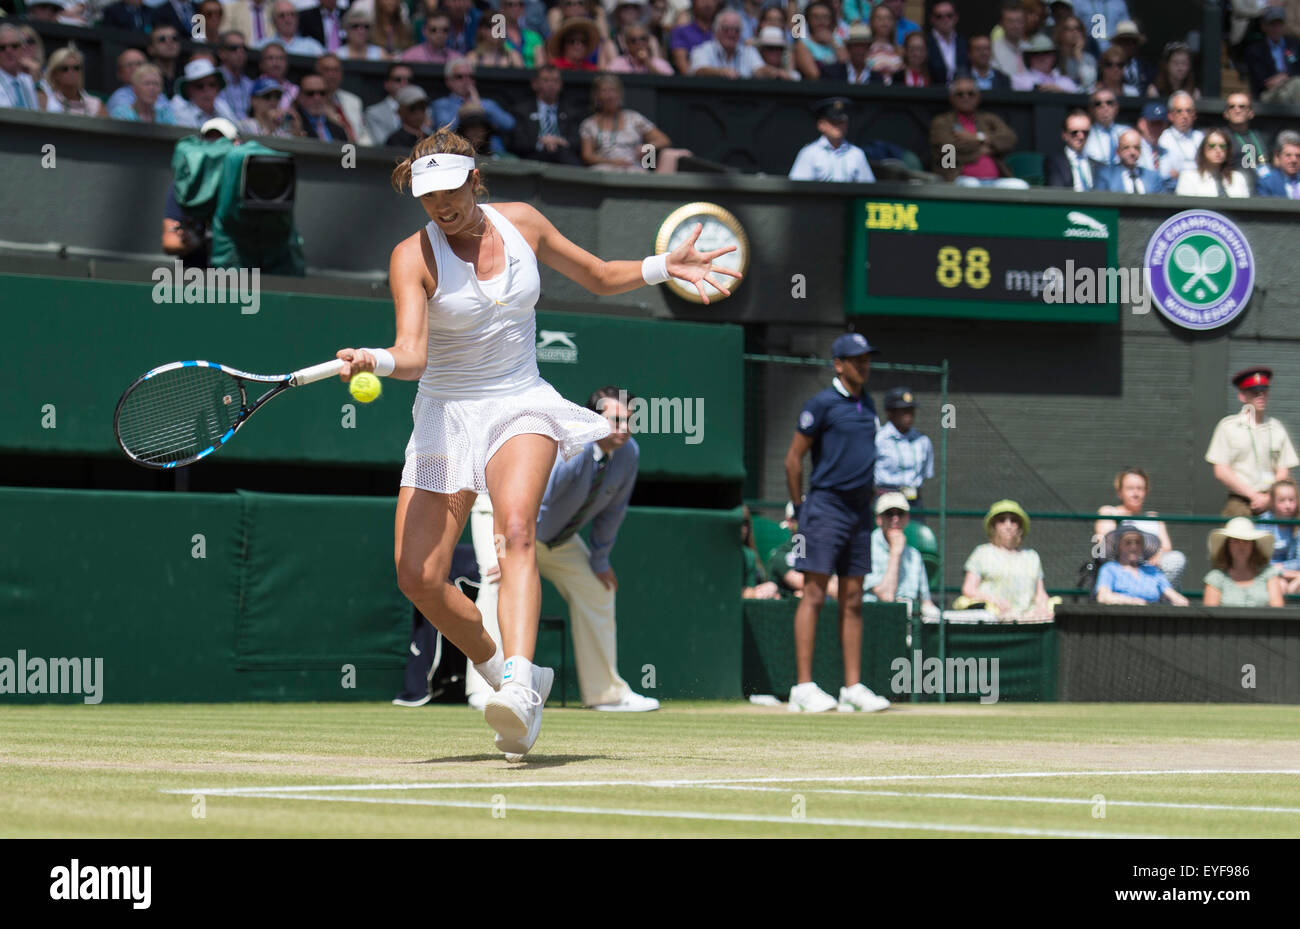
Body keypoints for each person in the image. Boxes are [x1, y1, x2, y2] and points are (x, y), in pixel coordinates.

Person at [332, 131, 734, 759]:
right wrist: (375, 359)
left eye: (450, 190)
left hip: (520, 400)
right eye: (427, 195)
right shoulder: (411, 256)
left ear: (475, 180)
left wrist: (663, 266)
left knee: (515, 531)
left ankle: (520, 680)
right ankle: (505, 674)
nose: (440, 205)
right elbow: (412, 354)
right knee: (419, 577)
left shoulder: (522, 223)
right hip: (445, 412)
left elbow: (598, 277)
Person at [465, 388, 662, 712]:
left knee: (597, 590)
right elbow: (532, 499)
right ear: (592, 420)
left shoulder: (629, 454)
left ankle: (606, 693)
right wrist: (510, 552)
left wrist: (599, 560)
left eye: (629, 421)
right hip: (503, 516)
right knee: (497, 585)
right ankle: (486, 689)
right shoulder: (574, 448)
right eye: (615, 420)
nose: (624, 428)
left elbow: (613, 511)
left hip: (554, 534)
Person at [783, 332, 890, 714]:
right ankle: (803, 687)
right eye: (856, 359)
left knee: (854, 598)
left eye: (867, 359)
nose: (864, 365)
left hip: (860, 512)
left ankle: (851, 688)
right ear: (838, 364)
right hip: (824, 508)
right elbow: (793, 460)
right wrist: (800, 508)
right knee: (813, 593)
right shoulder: (821, 405)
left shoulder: (870, 404)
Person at [1207, 367, 1300, 517]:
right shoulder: (1228, 427)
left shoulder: (1277, 428)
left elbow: (1283, 468)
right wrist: (1253, 496)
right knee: (1237, 530)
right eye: (1255, 392)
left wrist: (1269, 497)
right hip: (1241, 500)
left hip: (1274, 500)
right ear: (1242, 396)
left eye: (1264, 391)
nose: (1261, 396)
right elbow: (1221, 470)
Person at [960, 499, 1054, 621]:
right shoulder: (982, 552)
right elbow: (968, 589)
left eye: (1013, 521)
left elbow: (1040, 593)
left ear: (1020, 527)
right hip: (993, 621)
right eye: (1002, 520)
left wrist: (1042, 607)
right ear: (994, 526)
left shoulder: (1032, 556)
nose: (1008, 525)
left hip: (1028, 620)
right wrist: (994, 600)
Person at [1093, 467, 1186, 587]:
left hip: (1153, 569)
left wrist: (1158, 554)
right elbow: (1106, 542)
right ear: (1119, 492)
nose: (1135, 494)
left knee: (1176, 558)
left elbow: (1166, 547)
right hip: (1122, 568)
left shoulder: (1153, 517)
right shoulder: (1109, 512)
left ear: (1146, 491)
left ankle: (1160, 597)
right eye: (1130, 488)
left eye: (1140, 489)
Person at [580, 73, 688, 173]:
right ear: (597, 96)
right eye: (604, 91)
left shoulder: (634, 118)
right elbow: (587, 156)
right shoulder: (589, 124)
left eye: (613, 90)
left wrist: (646, 148)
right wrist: (614, 162)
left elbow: (664, 141)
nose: (609, 96)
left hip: (634, 169)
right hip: (604, 171)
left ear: (619, 94)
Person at [929, 76, 1022, 187]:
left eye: (970, 93)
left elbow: (1009, 138)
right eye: (960, 94)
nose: (966, 97)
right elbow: (947, 152)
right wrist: (986, 149)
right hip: (959, 179)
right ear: (952, 98)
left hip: (996, 180)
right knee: (971, 185)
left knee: (1019, 186)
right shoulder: (942, 121)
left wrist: (978, 137)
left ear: (978, 97)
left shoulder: (988, 119)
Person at [862, 493, 938, 618]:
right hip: (874, 618)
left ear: (907, 518)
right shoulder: (865, 549)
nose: (895, 519)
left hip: (908, 620)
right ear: (878, 519)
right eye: (889, 514)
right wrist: (895, 553)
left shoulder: (915, 555)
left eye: (900, 513)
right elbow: (886, 597)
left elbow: (926, 602)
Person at [1094, 526, 1189, 606]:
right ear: (1119, 546)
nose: (1133, 547)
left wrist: (1182, 603)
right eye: (1128, 543)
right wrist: (1132, 602)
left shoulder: (1153, 571)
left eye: (1138, 542)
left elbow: (1173, 595)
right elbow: (1103, 597)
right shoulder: (1109, 569)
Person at [873, 387, 933, 511]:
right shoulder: (878, 439)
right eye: (904, 411)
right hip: (886, 501)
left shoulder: (922, 440)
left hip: (913, 501)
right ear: (890, 413)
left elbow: (926, 473)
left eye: (911, 410)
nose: (909, 415)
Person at [788, 96, 873, 183]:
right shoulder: (809, 153)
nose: (837, 127)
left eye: (841, 122)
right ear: (821, 125)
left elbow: (869, 189)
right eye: (833, 122)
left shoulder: (857, 154)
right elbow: (798, 188)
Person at [510, 65, 583, 165]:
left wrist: (560, 140)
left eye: (555, 81)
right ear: (535, 84)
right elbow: (517, 142)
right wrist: (541, 141)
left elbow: (578, 141)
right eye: (546, 80)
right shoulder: (522, 111)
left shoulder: (571, 111)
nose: (551, 84)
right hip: (532, 158)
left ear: (561, 84)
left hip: (564, 158)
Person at [1203, 518, 1284, 607]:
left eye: (1246, 541)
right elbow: (1210, 615)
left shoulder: (1269, 574)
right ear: (1227, 545)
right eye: (1236, 541)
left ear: (1253, 545)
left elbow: (1277, 609)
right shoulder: (1216, 578)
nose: (1241, 546)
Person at [430, 59, 515, 142]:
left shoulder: (487, 104)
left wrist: (480, 107)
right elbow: (445, 132)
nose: (466, 80)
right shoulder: (441, 104)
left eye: (470, 77)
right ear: (448, 81)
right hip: (456, 151)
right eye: (459, 77)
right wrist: (466, 110)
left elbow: (509, 124)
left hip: (490, 153)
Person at [1246, 7, 1300, 103]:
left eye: (1279, 24)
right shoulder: (1256, 50)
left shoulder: (1294, 45)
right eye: (1272, 25)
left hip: (1291, 87)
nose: (1276, 29)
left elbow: (1296, 67)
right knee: (1288, 93)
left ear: (1284, 26)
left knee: (1294, 86)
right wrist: (1282, 80)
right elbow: (1263, 81)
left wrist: (1284, 77)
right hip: (1268, 93)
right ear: (1263, 26)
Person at [1175, 129, 1251, 198]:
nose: (1218, 150)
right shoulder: (1188, 177)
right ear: (1203, 149)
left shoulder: (1238, 178)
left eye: (1222, 146)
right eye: (1212, 145)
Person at [689, 8, 764, 76]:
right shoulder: (702, 50)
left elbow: (760, 69)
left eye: (736, 30)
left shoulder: (749, 51)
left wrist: (772, 72)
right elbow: (699, 70)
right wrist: (721, 72)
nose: (731, 33)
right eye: (726, 29)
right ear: (716, 31)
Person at [172, 56, 241, 128]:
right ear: (189, 90)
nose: (207, 90)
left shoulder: (223, 106)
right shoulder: (180, 111)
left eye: (212, 85)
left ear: (218, 87)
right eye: (200, 86)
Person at [316, 54, 369, 145]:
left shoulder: (354, 101)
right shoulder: (312, 99)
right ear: (317, 73)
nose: (332, 75)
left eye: (336, 70)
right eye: (326, 70)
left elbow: (363, 134)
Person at [1045, 109, 1102, 190]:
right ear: (1064, 134)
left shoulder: (1098, 165)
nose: (1081, 136)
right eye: (1074, 133)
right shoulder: (1054, 162)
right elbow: (1056, 193)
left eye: (1085, 132)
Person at [41, 45, 104, 117]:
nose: (71, 72)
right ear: (54, 74)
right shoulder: (47, 101)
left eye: (76, 68)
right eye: (65, 69)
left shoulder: (96, 105)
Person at [1094, 128, 1163, 193]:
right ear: (1118, 151)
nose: (1132, 152)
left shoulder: (1153, 177)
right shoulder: (1106, 176)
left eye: (1136, 148)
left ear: (1141, 151)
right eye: (1126, 148)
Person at [791, 0, 846, 80]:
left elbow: (847, 65)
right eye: (816, 17)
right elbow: (814, 75)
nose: (821, 21)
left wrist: (832, 42)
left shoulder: (838, 40)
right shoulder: (802, 44)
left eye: (825, 17)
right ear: (808, 20)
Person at [1156, 90, 1202, 185]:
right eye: (1179, 111)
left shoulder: (1200, 137)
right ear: (1170, 116)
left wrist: (1180, 173)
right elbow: (1166, 173)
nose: (1184, 116)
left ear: (1194, 115)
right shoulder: (1165, 138)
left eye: (1189, 111)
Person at [364, 63, 414, 148]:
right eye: (398, 79)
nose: (404, 83)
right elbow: (382, 143)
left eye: (409, 80)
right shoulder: (373, 113)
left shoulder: (424, 110)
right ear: (387, 84)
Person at [1264, 478, 1300, 593]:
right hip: (1267, 573)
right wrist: (1279, 571)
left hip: (1293, 574)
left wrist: (1282, 569)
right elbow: (1259, 559)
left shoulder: (1297, 523)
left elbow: (1298, 560)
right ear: (1273, 502)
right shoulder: (1263, 523)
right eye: (1282, 500)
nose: (1288, 505)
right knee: (1280, 585)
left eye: (1291, 500)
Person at [110, 62, 177, 123]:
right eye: (147, 83)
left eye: (156, 84)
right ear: (134, 89)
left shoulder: (165, 115)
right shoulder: (121, 114)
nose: (152, 88)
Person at [1082, 88, 1132, 166]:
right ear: (1091, 109)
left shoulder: (1127, 132)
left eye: (1109, 103)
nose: (1104, 108)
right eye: (1098, 104)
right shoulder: (1084, 134)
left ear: (1116, 107)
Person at [1013, 32, 1078, 91]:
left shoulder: (1065, 82)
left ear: (1054, 56)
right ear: (1029, 58)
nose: (1041, 57)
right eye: (1036, 54)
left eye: (1046, 53)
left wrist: (1060, 91)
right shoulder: (1020, 80)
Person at [256, 3, 327, 56]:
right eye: (282, 16)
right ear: (274, 21)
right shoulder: (262, 46)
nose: (288, 19)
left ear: (298, 19)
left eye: (292, 15)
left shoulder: (312, 46)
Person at [742, 507, 782, 600]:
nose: (743, 529)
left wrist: (769, 589)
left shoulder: (749, 554)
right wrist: (753, 593)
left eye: (745, 523)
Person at [669, 0, 720, 73]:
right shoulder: (681, 31)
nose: (707, 3)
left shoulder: (725, 33)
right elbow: (684, 68)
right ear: (693, 3)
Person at [925, 0, 967, 86]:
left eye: (949, 15)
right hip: (933, 93)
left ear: (956, 17)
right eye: (939, 16)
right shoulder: (925, 43)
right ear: (932, 19)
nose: (945, 19)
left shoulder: (963, 43)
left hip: (960, 94)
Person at [215, 32, 255, 122]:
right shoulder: (212, 80)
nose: (240, 52)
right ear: (221, 53)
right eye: (233, 48)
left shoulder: (250, 85)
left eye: (243, 48)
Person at [610, 21, 675, 74]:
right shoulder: (617, 64)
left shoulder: (661, 64)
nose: (639, 43)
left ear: (648, 41)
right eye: (633, 40)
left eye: (643, 39)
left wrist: (647, 63)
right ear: (627, 43)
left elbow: (669, 84)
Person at [1107, 19, 1154, 93]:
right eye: (1125, 41)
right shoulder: (1109, 65)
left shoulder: (1146, 67)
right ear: (1117, 43)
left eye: (1134, 42)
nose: (1130, 45)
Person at [1054, 14, 1095, 90]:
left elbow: (1089, 83)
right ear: (1061, 33)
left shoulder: (1089, 58)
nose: (1074, 32)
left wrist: (1078, 55)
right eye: (1069, 29)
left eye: (1077, 29)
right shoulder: (1054, 57)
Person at [256, 41, 299, 112]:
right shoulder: (252, 87)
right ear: (261, 64)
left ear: (287, 63)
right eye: (270, 58)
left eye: (280, 58)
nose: (276, 63)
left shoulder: (295, 90)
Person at [384, 83, 430, 147]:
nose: (418, 112)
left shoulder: (430, 138)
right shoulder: (395, 140)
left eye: (422, 107)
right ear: (401, 111)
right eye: (413, 108)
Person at [1256, 130, 1300, 198]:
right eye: (1288, 155)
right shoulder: (1267, 184)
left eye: (1298, 156)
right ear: (1277, 156)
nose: (1294, 160)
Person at [991, 0, 1028, 80]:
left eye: (1019, 21)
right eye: (1010, 21)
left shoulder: (1030, 49)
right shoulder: (992, 50)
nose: (1016, 26)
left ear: (1025, 23)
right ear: (1001, 23)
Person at [104, 47, 149, 114]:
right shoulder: (119, 97)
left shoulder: (159, 95)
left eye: (139, 64)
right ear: (119, 73)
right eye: (129, 65)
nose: (135, 68)